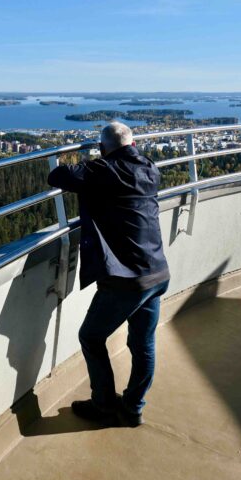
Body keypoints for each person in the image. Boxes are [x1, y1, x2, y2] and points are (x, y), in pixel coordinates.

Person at [48, 121, 170, 427]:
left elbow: (58, 175)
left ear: (105, 149)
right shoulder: (150, 168)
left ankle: (103, 405)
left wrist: (95, 161)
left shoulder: (106, 170)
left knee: (90, 336)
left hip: (127, 280)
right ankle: (133, 408)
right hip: (157, 272)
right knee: (143, 345)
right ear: (132, 143)